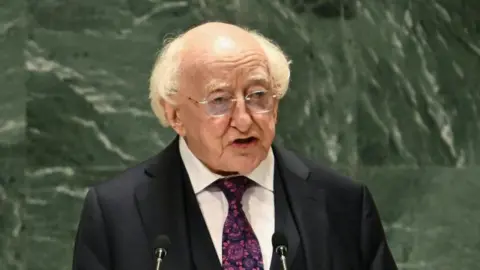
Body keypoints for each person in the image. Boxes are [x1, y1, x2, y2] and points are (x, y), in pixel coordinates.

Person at [72, 22, 397, 270]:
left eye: (258, 96)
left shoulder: (344, 205)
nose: (243, 120)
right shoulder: (116, 212)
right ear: (175, 115)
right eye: (219, 101)